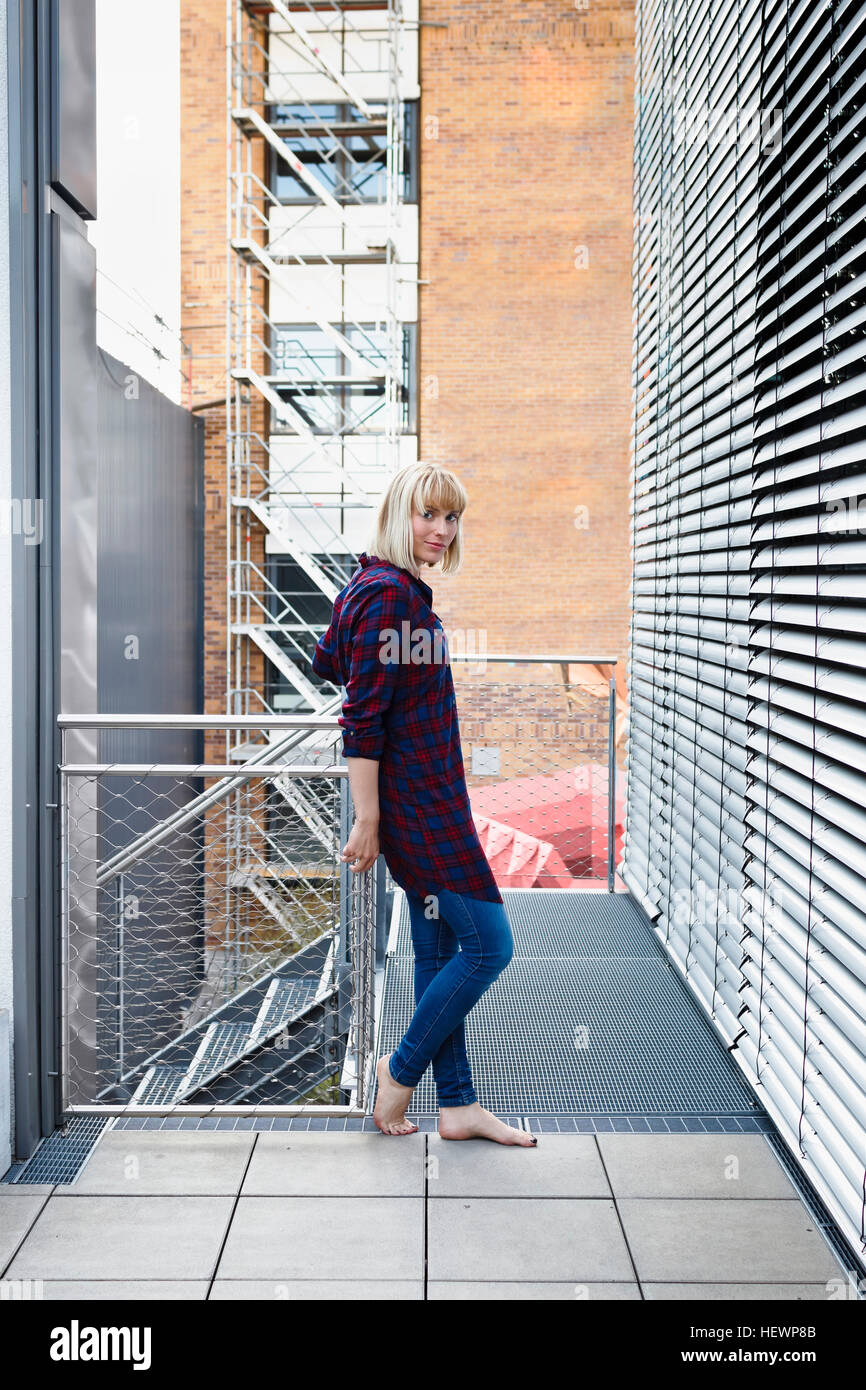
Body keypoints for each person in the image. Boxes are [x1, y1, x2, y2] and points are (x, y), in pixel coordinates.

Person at [312, 463, 537, 1146]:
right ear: (398, 513)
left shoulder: (382, 586)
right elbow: (362, 715)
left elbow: (330, 660)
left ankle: (460, 1105)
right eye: (429, 515)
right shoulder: (388, 597)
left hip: (430, 798)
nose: (442, 530)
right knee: (489, 947)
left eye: (452, 518)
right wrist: (370, 817)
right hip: (416, 809)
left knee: (439, 948)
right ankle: (399, 1069)